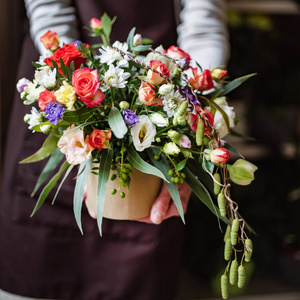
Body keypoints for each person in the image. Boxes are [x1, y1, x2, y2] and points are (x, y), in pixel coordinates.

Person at [0, 0, 229, 299]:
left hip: (157, 128)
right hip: (63, 104)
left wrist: (192, 137)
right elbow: (49, 12)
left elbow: (204, 27)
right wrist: (78, 112)